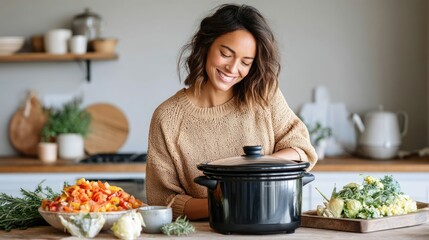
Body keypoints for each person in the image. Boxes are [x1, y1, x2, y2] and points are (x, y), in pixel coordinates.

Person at [146, 3, 317, 220]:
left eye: (246, 62)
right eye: (226, 54)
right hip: (203, 232)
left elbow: (302, 149)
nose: (233, 69)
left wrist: (259, 169)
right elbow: (163, 200)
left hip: (270, 224)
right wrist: (229, 201)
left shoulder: (263, 95)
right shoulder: (167, 117)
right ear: (206, 45)